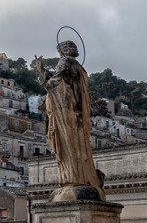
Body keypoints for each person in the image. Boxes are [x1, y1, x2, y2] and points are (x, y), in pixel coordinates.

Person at [36, 41, 101, 188]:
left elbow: (55, 82)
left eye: (59, 52)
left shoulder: (64, 62)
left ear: (62, 52)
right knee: (79, 146)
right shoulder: (81, 69)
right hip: (79, 114)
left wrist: (42, 72)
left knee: (66, 146)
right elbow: (62, 78)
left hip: (65, 112)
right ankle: (85, 177)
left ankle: (71, 177)